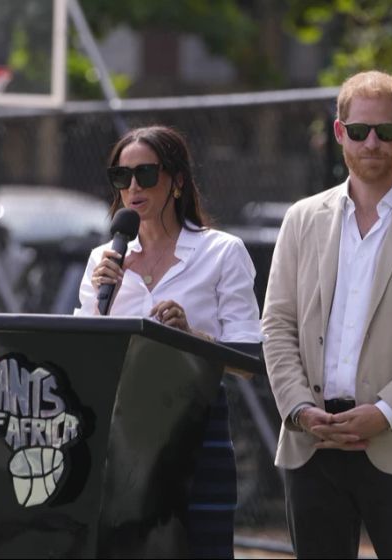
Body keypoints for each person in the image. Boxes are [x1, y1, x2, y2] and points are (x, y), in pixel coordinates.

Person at [261, 70, 392, 559]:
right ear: (340, 134)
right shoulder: (301, 218)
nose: (372, 142)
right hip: (312, 442)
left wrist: (383, 413)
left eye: (384, 130)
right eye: (359, 131)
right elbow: (276, 324)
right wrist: (298, 410)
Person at [74, 125, 262, 558]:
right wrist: (104, 305)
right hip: (119, 434)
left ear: (177, 180)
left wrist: (189, 337)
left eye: (146, 174)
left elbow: (247, 361)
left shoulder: (222, 252)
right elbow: (84, 355)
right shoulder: (103, 261)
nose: (133, 187)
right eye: (122, 178)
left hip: (194, 428)